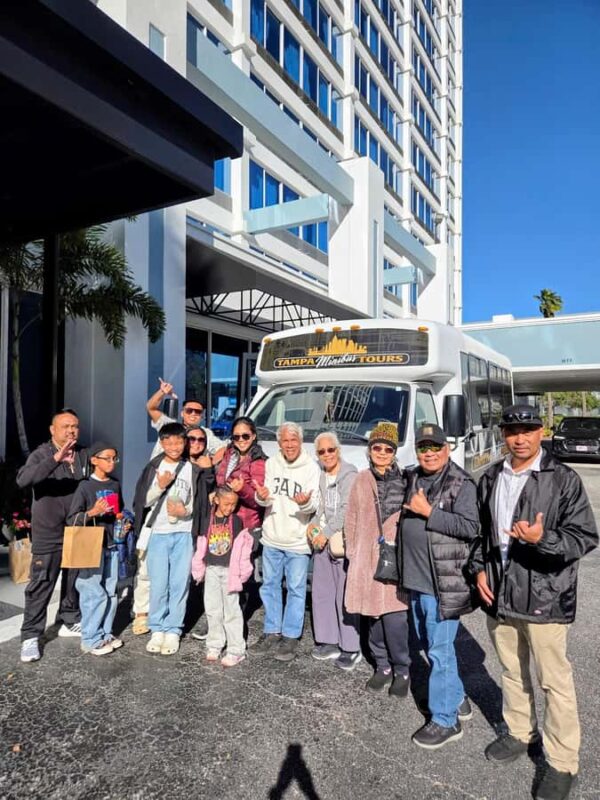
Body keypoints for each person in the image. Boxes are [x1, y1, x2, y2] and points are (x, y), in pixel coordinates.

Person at [470, 404, 598, 800]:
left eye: (527, 429)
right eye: (512, 431)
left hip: (545, 596)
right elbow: (481, 534)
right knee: (511, 670)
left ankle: (562, 762)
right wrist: (478, 570)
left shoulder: (562, 479)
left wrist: (542, 539)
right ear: (503, 435)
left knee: (554, 682)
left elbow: (584, 536)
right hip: (501, 595)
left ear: (541, 431)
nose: (519, 438)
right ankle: (520, 732)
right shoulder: (491, 477)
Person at [399, 424, 479, 749]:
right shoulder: (413, 476)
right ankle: (456, 696)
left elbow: (471, 527)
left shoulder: (461, 483)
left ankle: (446, 721)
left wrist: (429, 512)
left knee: (439, 649)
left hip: (442, 583)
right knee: (432, 644)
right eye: (423, 447)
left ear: (446, 449)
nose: (428, 453)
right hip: (417, 578)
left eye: (435, 447)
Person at [344, 422, 409, 697]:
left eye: (387, 448)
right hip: (367, 560)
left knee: (395, 620)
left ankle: (402, 669)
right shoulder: (361, 479)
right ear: (370, 450)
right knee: (374, 619)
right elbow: (352, 518)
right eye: (376, 447)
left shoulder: (406, 479)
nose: (381, 452)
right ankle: (381, 666)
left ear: (394, 452)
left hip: (395, 558)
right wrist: (353, 553)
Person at [18, 409, 88, 663]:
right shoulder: (42, 453)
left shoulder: (82, 453)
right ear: (53, 430)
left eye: (75, 426)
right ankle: (30, 636)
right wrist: (56, 459)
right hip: (48, 533)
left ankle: (68, 619)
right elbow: (24, 479)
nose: (71, 430)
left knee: (73, 579)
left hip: (77, 530)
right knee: (41, 584)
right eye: (66, 426)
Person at [132, 423, 203, 656]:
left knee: (179, 583)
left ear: (185, 443)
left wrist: (186, 512)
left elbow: (197, 502)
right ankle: (157, 628)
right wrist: (159, 487)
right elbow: (143, 502)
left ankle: (173, 629)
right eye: (169, 442)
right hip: (158, 534)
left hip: (182, 533)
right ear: (161, 443)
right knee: (159, 582)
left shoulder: (191, 469)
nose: (174, 446)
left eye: (178, 442)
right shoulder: (154, 466)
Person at [252, 422, 320, 662]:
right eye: (285, 441)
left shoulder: (312, 468)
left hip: (298, 541)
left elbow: (314, 505)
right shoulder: (272, 464)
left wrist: (304, 503)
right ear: (279, 443)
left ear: (300, 442)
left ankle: (291, 636)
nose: (289, 445)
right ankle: (271, 630)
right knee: (269, 585)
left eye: (294, 440)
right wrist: (260, 498)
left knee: (296, 589)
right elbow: (265, 498)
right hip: (272, 537)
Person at [309, 432, 361, 671]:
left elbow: (345, 510)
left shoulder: (349, 474)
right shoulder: (320, 474)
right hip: (323, 540)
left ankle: (350, 647)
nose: (327, 455)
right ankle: (329, 640)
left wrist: (325, 532)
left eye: (331, 450)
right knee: (322, 592)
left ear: (338, 450)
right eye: (322, 451)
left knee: (344, 595)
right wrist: (314, 524)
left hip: (341, 541)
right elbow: (320, 505)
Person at [67, 442, 124, 656]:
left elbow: (120, 510)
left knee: (111, 592)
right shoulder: (85, 486)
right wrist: (93, 512)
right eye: (107, 458)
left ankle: (105, 633)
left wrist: (121, 518)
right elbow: (72, 519)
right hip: (90, 545)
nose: (111, 462)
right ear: (94, 460)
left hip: (112, 543)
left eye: (114, 458)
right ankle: (90, 638)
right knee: (93, 592)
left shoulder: (115, 484)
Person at [191, 487, 254, 667]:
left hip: (229, 571)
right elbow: (201, 545)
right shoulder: (207, 520)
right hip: (211, 569)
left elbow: (242, 549)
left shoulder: (236, 521)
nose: (230, 508)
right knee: (212, 609)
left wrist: (243, 571)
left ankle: (236, 650)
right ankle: (215, 644)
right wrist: (198, 568)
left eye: (234, 504)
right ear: (217, 500)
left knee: (232, 611)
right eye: (226, 503)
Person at [185, 424, 216, 641]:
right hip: (178, 525)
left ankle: (201, 615)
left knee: (200, 571)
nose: (196, 443)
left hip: (202, 525)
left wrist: (208, 469)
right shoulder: (176, 461)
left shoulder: (207, 463)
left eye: (201, 440)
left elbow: (211, 490)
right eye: (192, 439)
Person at [146, 378, 223, 459]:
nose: (193, 414)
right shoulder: (169, 426)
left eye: (197, 411)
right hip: (158, 470)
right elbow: (151, 408)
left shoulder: (206, 434)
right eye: (189, 410)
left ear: (202, 416)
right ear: (182, 413)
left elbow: (222, 449)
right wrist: (161, 392)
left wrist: (209, 465)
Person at [215, 416, 267, 532]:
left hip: (244, 524)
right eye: (236, 437)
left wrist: (242, 489)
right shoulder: (229, 454)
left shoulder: (258, 461)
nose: (241, 440)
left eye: (245, 436)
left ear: (253, 436)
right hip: (224, 519)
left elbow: (258, 501)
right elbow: (221, 482)